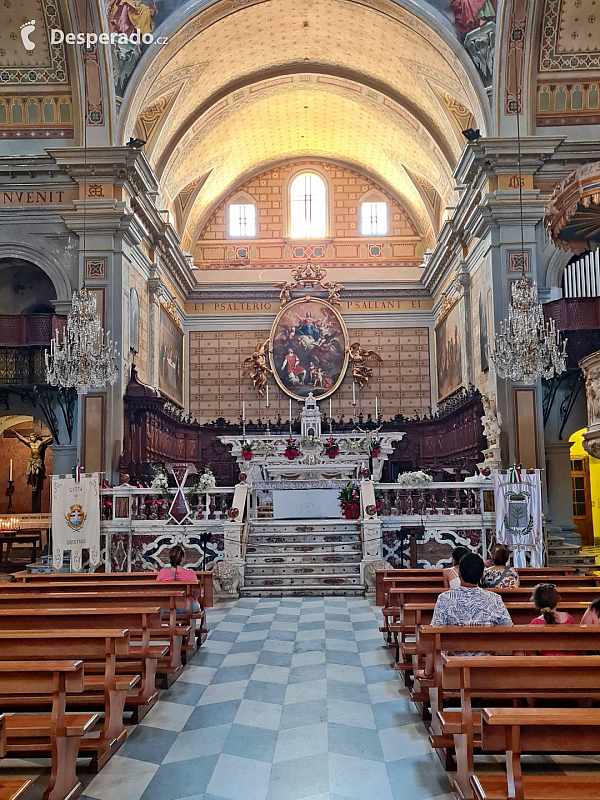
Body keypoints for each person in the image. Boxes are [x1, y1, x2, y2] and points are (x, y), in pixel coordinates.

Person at [415, 553, 512, 677]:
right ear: (482, 575)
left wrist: (427, 673)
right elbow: (509, 629)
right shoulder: (495, 599)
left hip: (454, 669)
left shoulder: (445, 598)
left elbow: (434, 635)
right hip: (487, 668)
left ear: (459, 574)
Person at [530, 583, 575, 655]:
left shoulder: (535, 623)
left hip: (546, 662)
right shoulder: (568, 617)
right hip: (571, 661)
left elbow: (531, 652)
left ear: (536, 603)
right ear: (556, 600)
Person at [156, 545, 200, 614]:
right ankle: (184, 624)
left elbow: (157, 591)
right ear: (182, 559)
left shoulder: (162, 573)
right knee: (195, 605)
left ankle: (172, 624)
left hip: (166, 608)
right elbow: (196, 593)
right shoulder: (190, 573)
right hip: (186, 608)